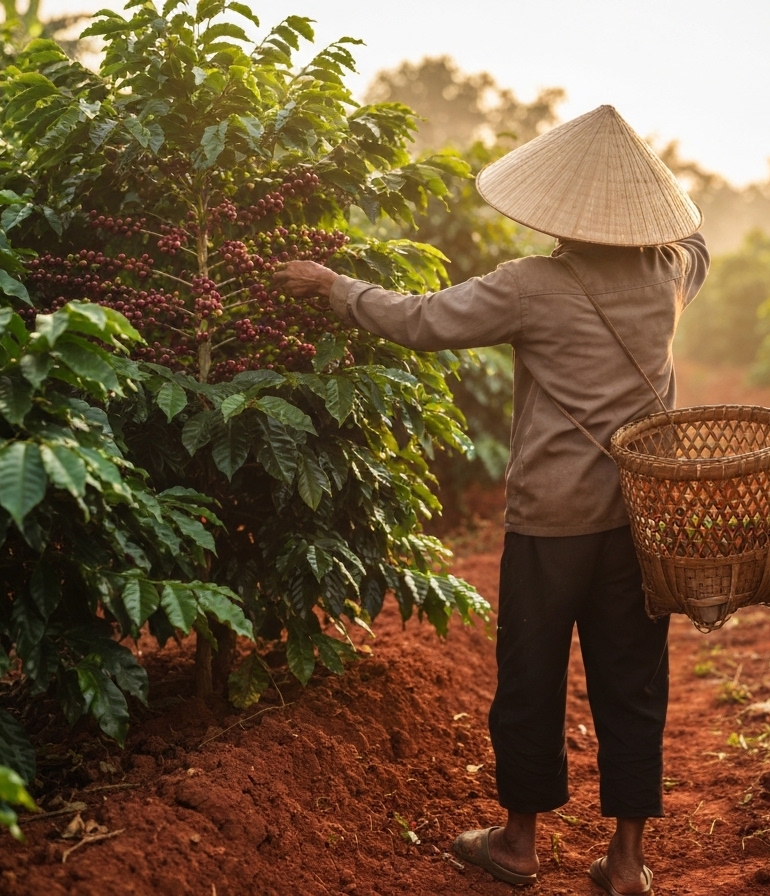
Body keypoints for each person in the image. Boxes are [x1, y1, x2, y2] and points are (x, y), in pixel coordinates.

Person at [274, 105, 708, 896]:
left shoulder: (531, 285)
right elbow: (694, 238)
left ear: (556, 212)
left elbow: (421, 321)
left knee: (532, 676)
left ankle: (517, 843)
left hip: (551, 522)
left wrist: (334, 287)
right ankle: (628, 860)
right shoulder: (667, 277)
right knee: (634, 681)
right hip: (640, 524)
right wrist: (661, 201)